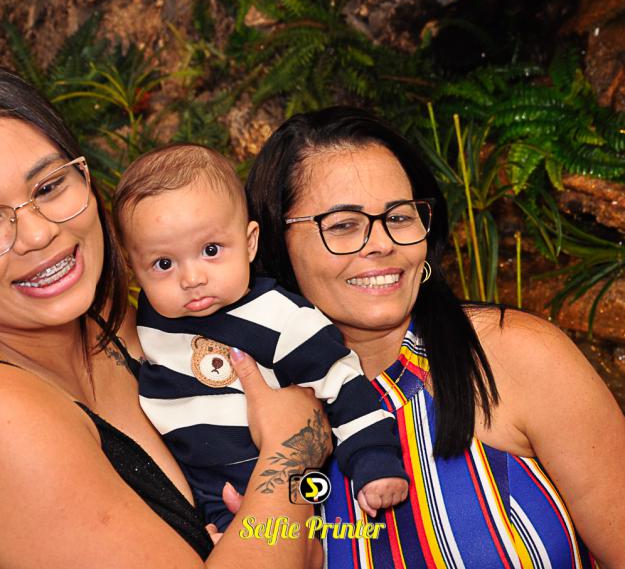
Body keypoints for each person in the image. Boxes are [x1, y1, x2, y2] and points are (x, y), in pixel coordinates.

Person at [245, 106, 625, 568]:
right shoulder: (249, 405)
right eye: (343, 224)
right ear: (273, 244)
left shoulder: (514, 355)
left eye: (399, 217)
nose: (381, 243)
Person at [0, 68, 331, 569]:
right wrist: (291, 451)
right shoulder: (11, 423)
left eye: (48, 186)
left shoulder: (130, 325)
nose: (37, 234)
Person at [111, 143, 409, 531]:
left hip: (286, 483)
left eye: (211, 250)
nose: (192, 278)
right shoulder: (150, 321)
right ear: (133, 268)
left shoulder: (282, 318)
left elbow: (343, 383)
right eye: (163, 263)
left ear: (250, 242)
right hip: (201, 495)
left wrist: (374, 460)